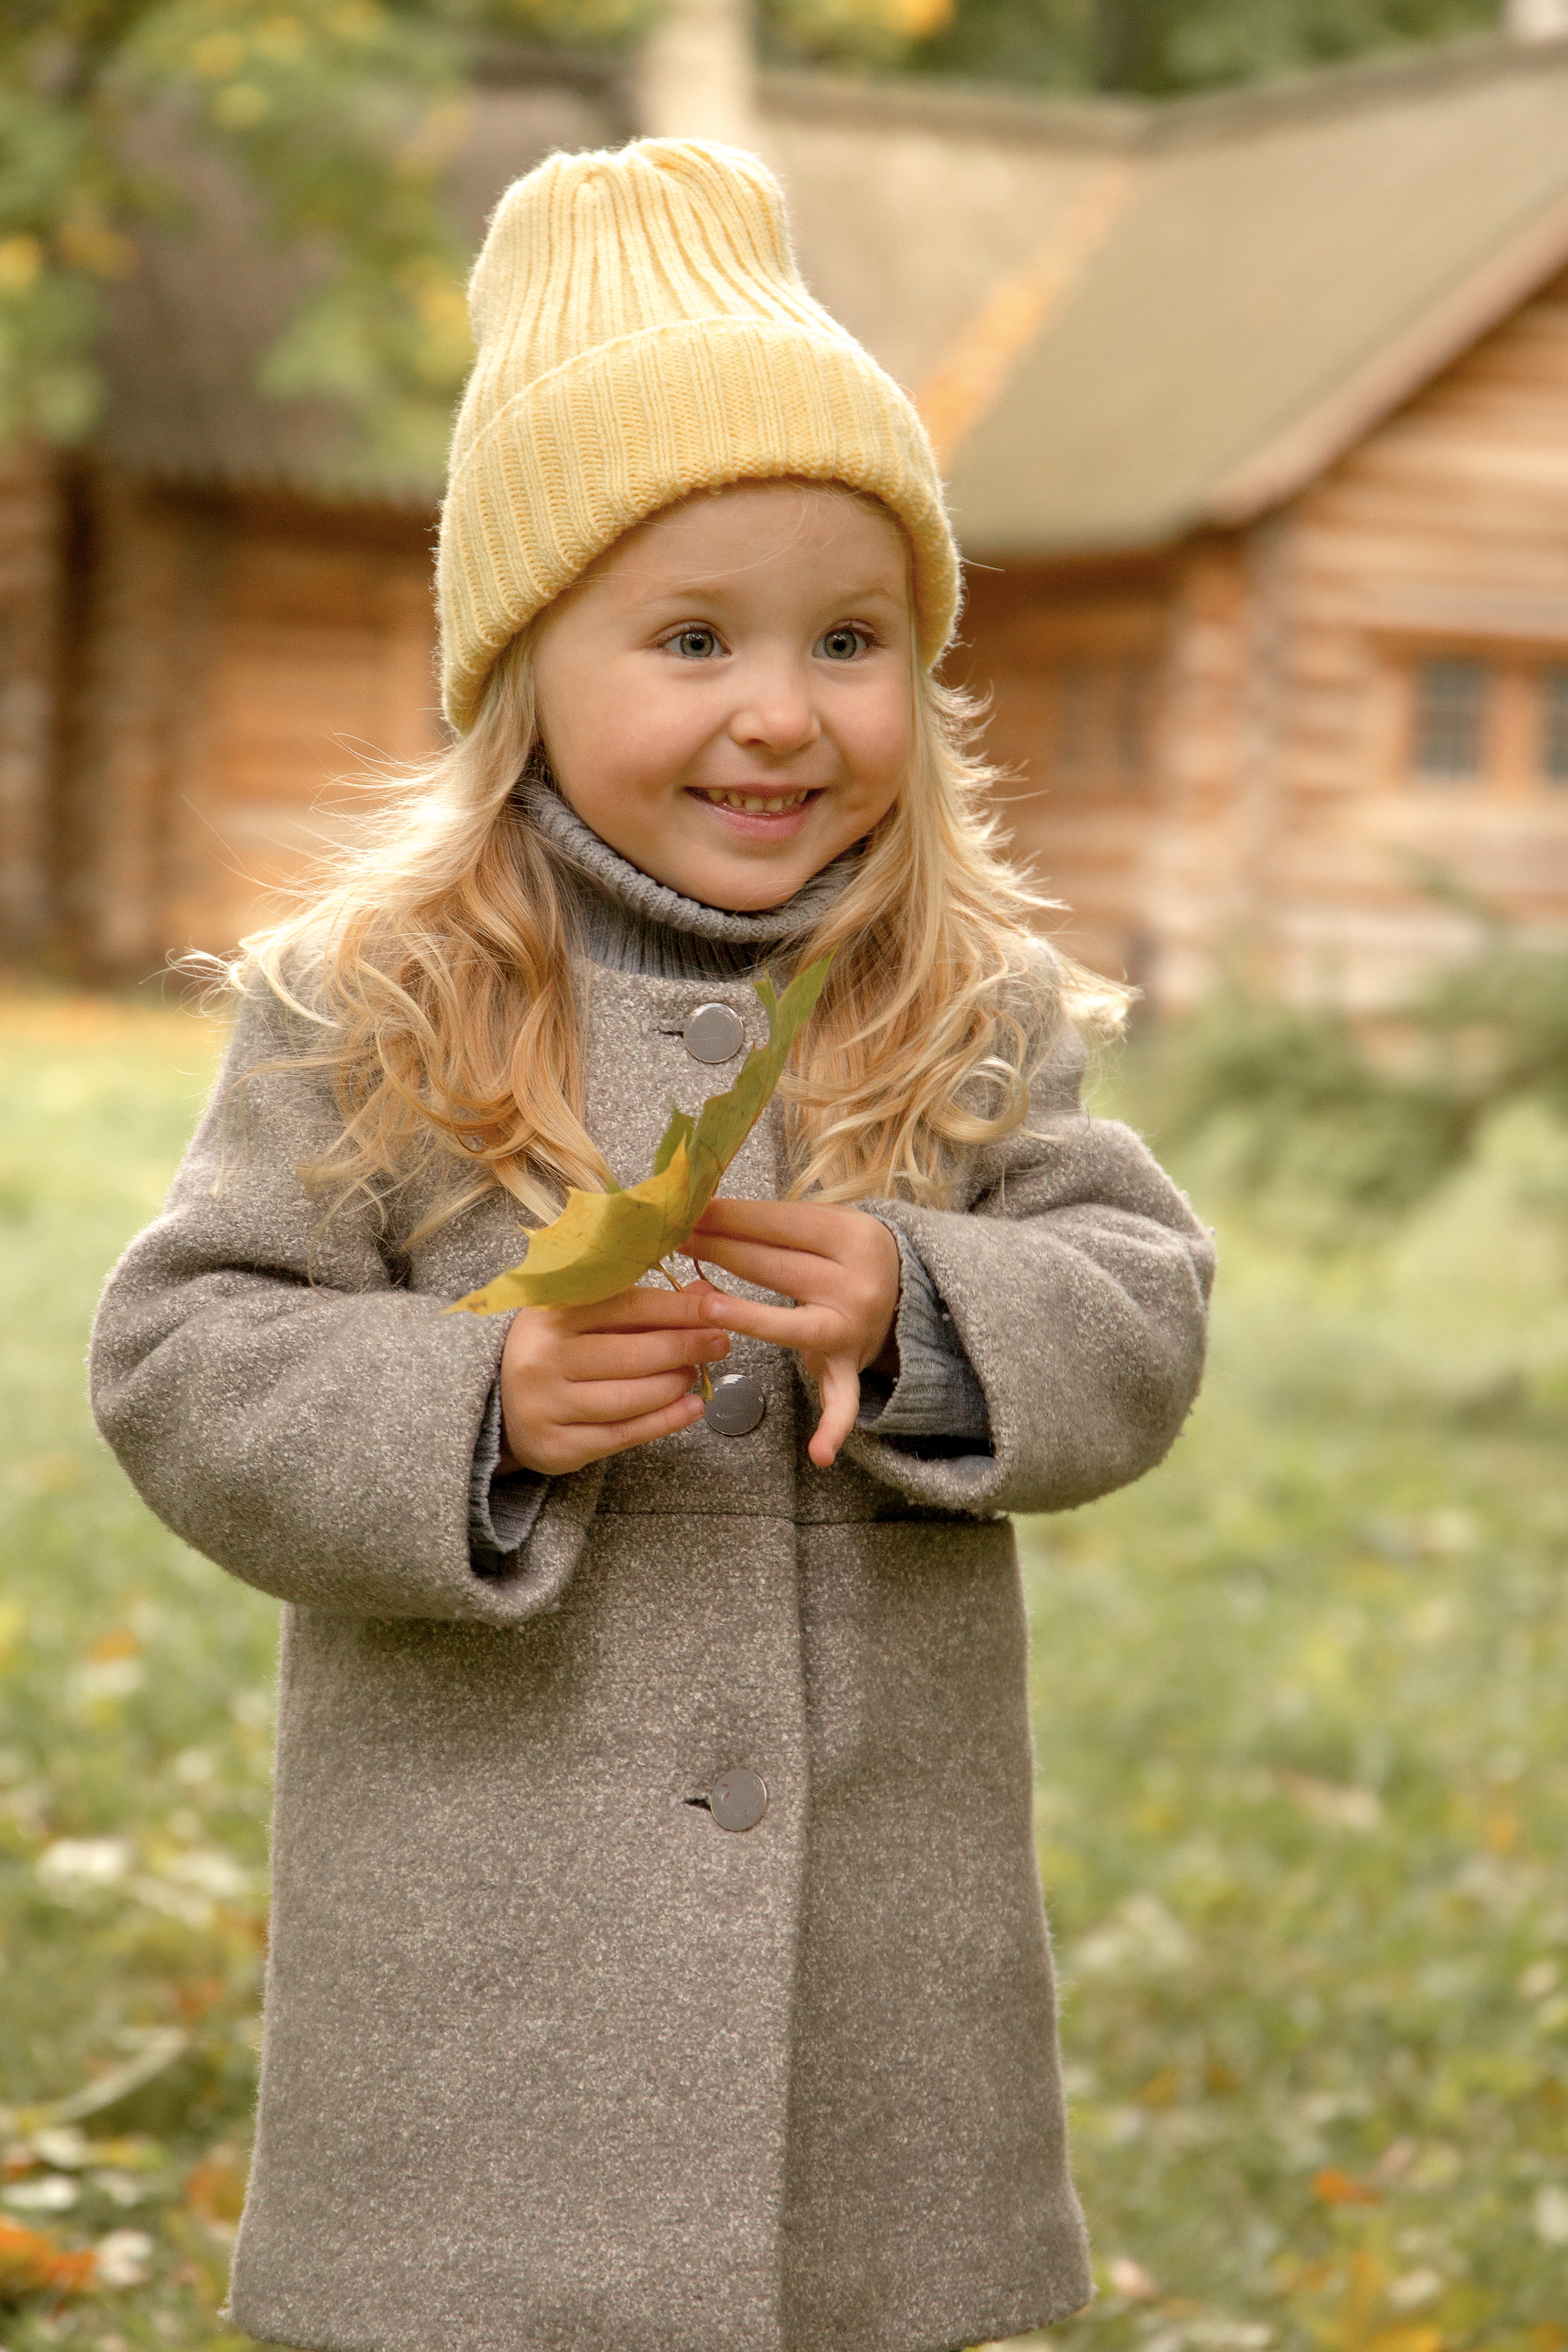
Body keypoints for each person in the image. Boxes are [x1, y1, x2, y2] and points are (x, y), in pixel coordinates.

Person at [90, 138, 1214, 2352]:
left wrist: (937, 1311)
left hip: (865, 1989)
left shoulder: (959, 1005)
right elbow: (186, 1354)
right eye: (692, 637)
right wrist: (466, 1403)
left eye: (850, 638)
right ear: (523, 667)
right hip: (487, 1971)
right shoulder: (382, 1000)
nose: (783, 707)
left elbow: (1142, 1301)